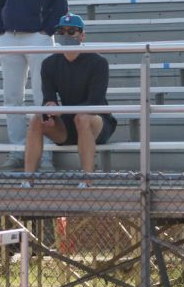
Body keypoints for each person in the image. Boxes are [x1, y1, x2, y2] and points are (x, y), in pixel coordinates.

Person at [0, 0, 68, 172]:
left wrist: (46, 30)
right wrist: (0, 31)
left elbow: (60, 3)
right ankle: (17, 151)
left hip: (38, 37)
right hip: (10, 38)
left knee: (42, 97)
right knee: (12, 97)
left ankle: (45, 154)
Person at [23, 13, 117, 184]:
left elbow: (95, 102)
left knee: (82, 118)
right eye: (62, 31)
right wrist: (50, 112)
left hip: (97, 120)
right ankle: (27, 180)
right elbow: (48, 98)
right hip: (68, 121)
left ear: (82, 35)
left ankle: (88, 180)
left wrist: (61, 111)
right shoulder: (49, 64)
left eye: (72, 31)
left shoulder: (98, 62)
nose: (66, 35)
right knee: (37, 118)